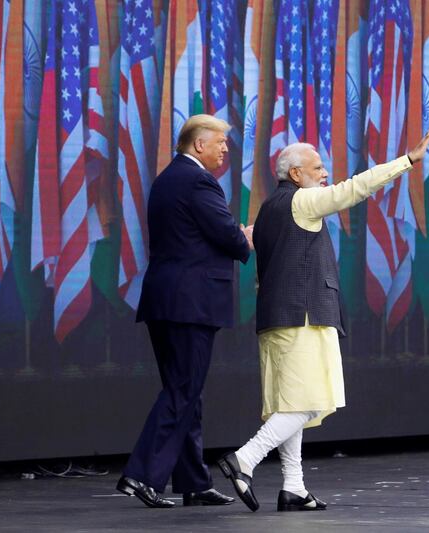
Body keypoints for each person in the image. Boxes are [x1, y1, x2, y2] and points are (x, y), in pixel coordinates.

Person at [218, 122, 429, 512]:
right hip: (300, 317)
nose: (325, 174)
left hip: (276, 319)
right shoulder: (301, 201)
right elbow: (354, 189)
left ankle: (293, 487)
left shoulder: (268, 209)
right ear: (295, 174)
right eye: (317, 168)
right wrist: (407, 160)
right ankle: (244, 459)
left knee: (292, 403)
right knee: (307, 402)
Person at [117, 114, 254, 508]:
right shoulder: (197, 180)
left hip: (167, 300)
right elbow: (226, 234)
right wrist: (243, 238)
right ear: (199, 145)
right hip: (190, 303)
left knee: (186, 391)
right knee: (182, 390)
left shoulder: (167, 178)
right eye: (221, 143)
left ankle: (194, 482)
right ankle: (140, 476)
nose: (225, 150)